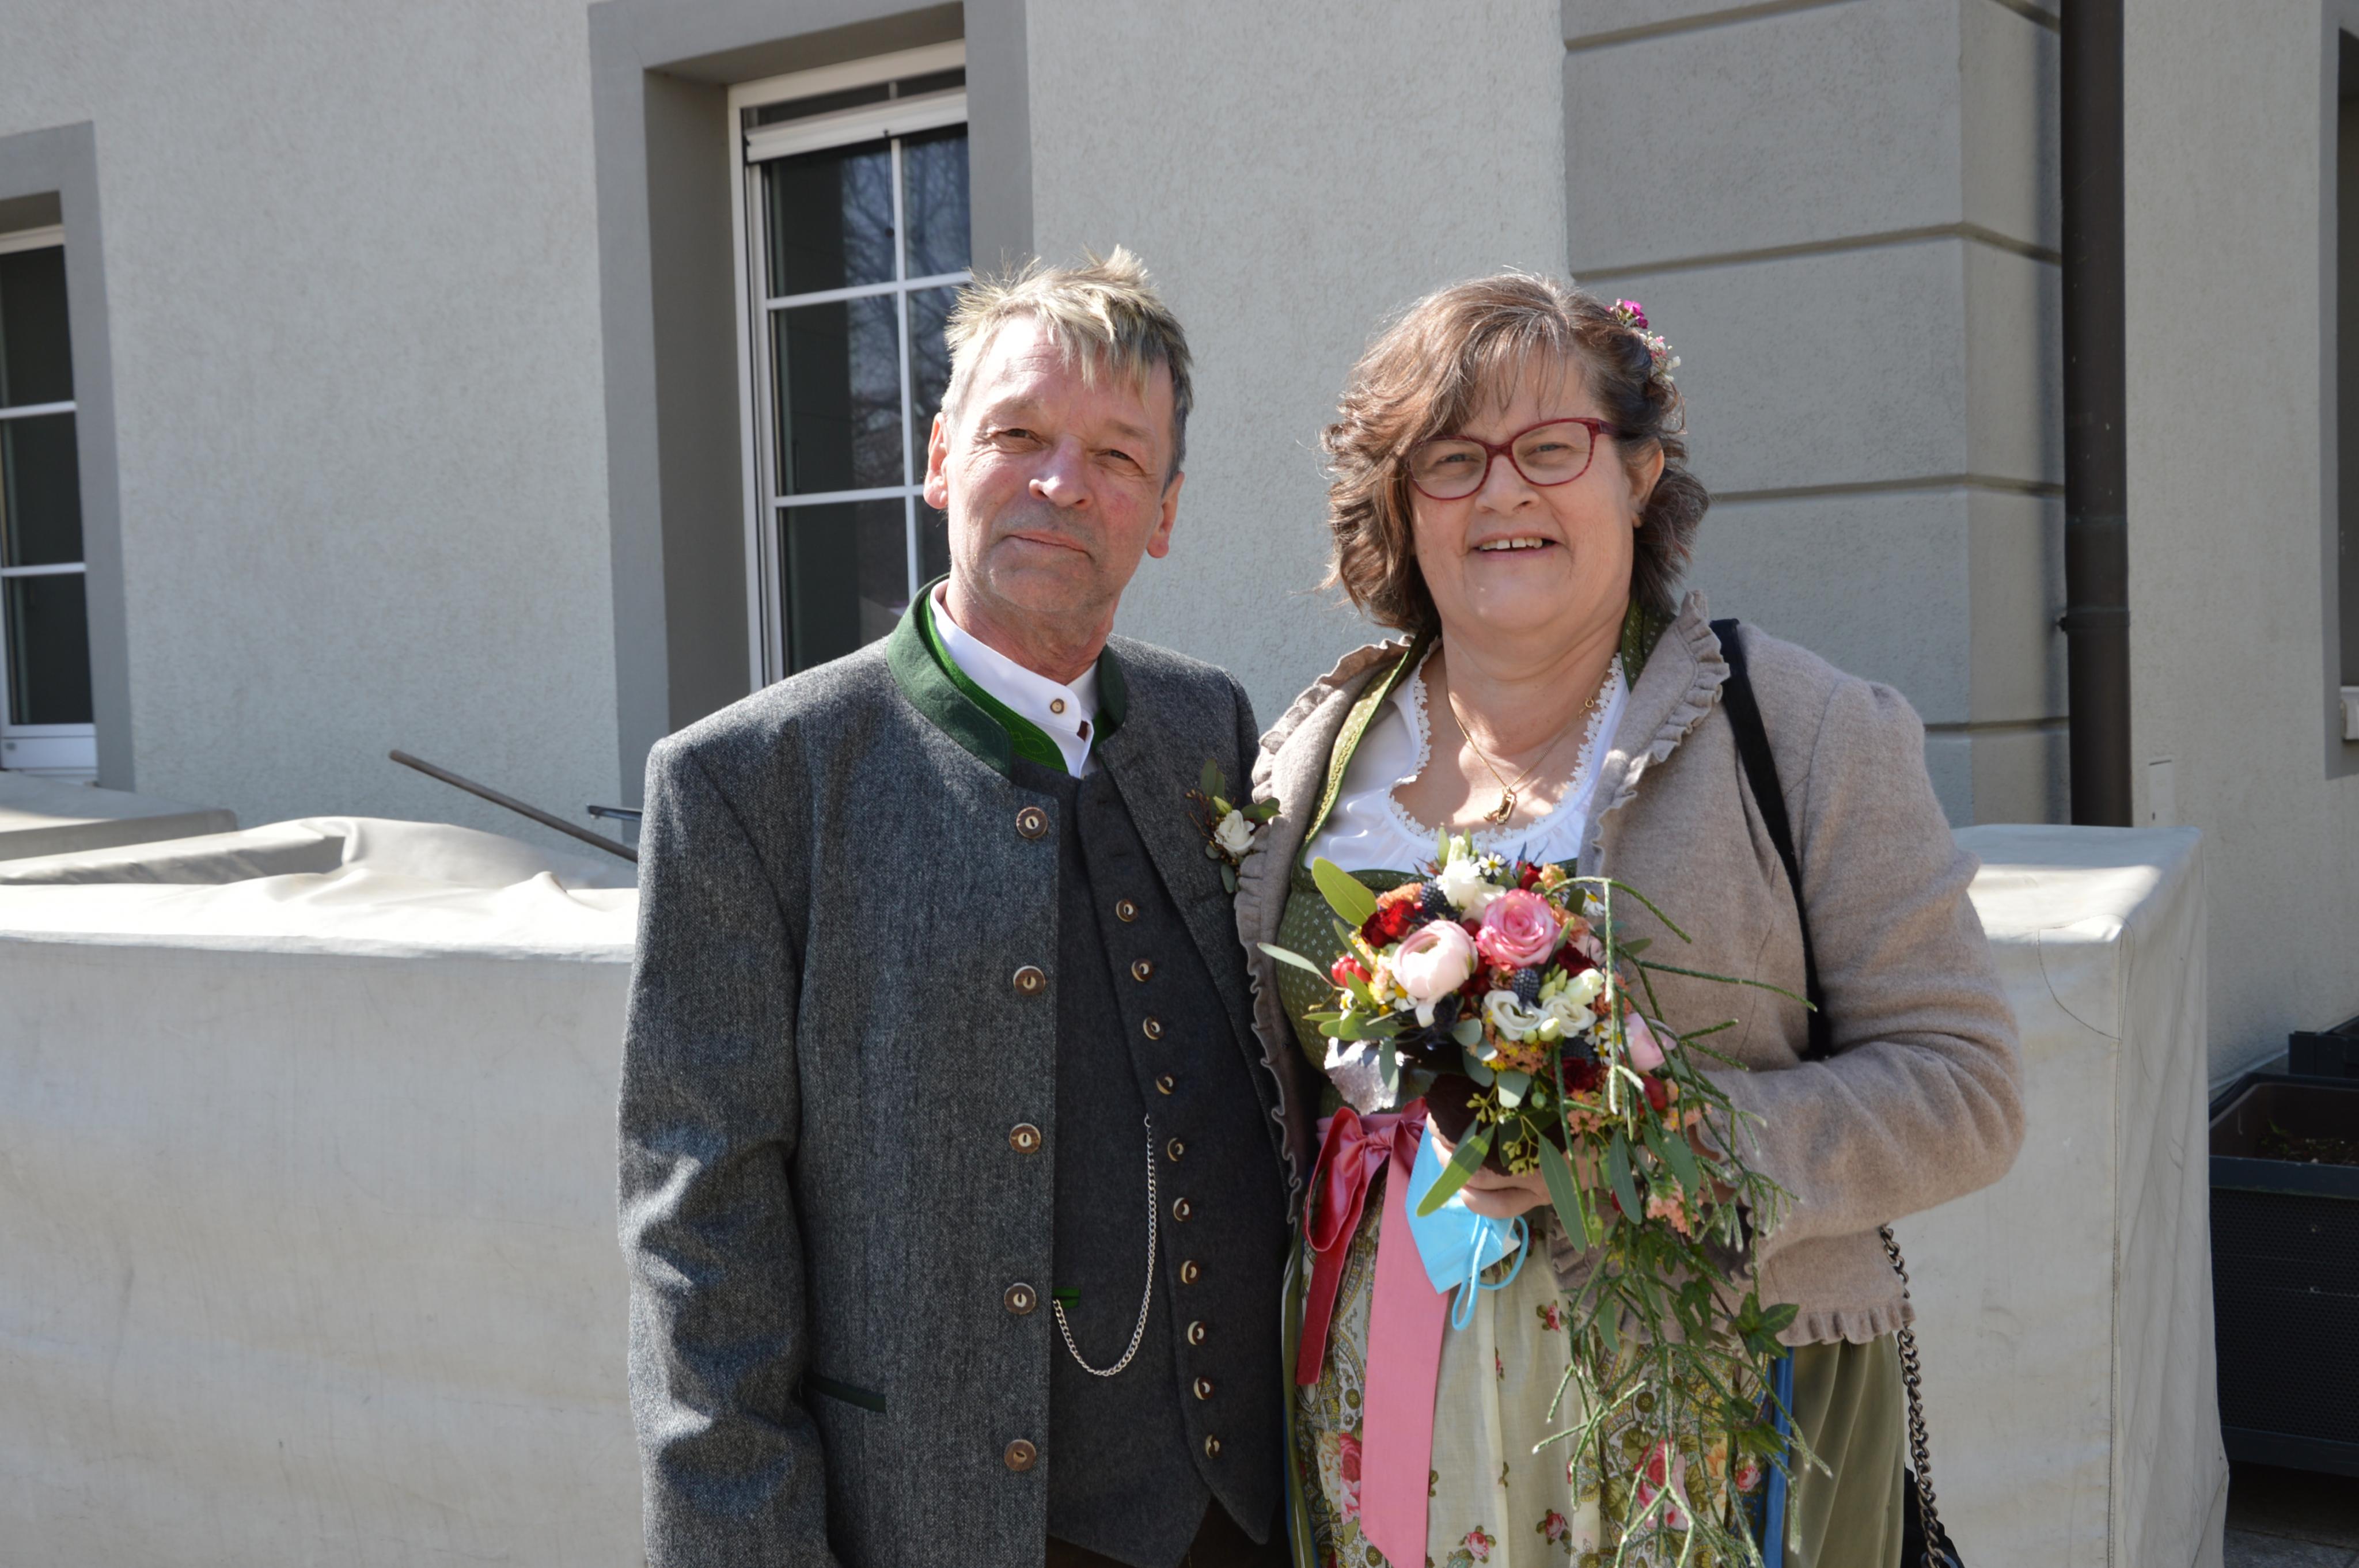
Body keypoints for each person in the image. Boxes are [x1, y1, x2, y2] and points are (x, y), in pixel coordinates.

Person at [1231, 274, 2025, 1568]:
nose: (1502, 493)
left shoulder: (1803, 729)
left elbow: (1965, 1090)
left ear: (1639, 475)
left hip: (1713, 1413)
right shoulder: (1309, 759)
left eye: (1551, 448)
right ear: (1399, 503)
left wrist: (1652, 1148)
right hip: (1386, 1428)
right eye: (1452, 460)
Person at [619, 250, 1304, 1568]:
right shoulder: (748, 783)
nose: (1062, 483)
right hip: (934, 1525)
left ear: (1164, 511)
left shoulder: (1208, 724)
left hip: (1240, 1517)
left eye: (1116, 455)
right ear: (940, 459)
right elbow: (699, 1244)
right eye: (1018, 435)